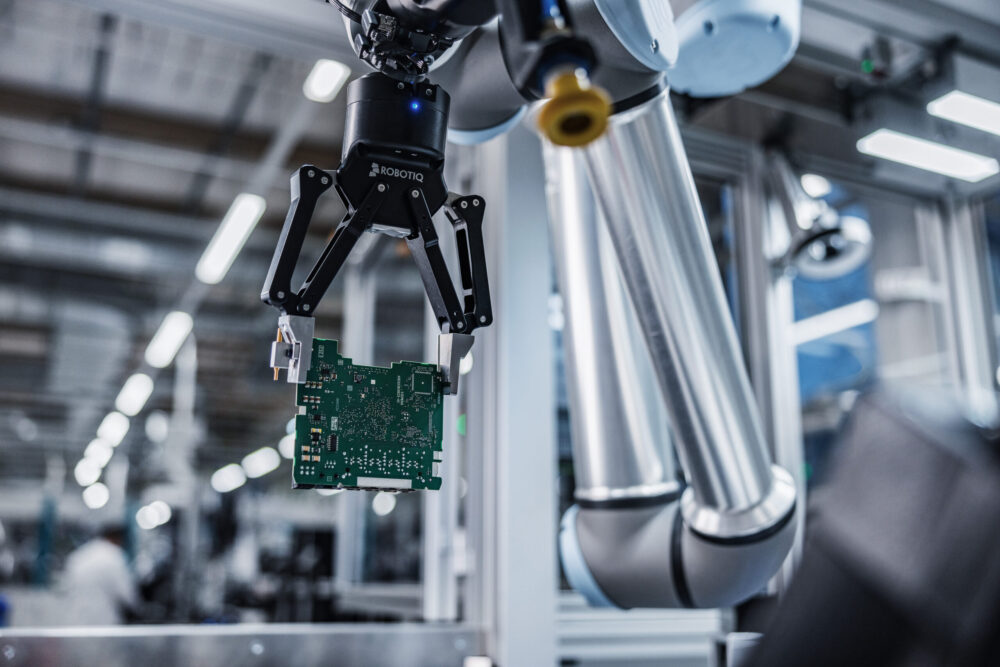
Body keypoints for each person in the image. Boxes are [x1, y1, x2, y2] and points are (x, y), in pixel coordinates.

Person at [62, 524, 138, 625]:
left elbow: (66, 588)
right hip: (104, 619)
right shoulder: (113, 556)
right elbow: (125, 593)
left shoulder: (80, 554)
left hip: (77, 619)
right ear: (118, 538)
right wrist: (140, 609)